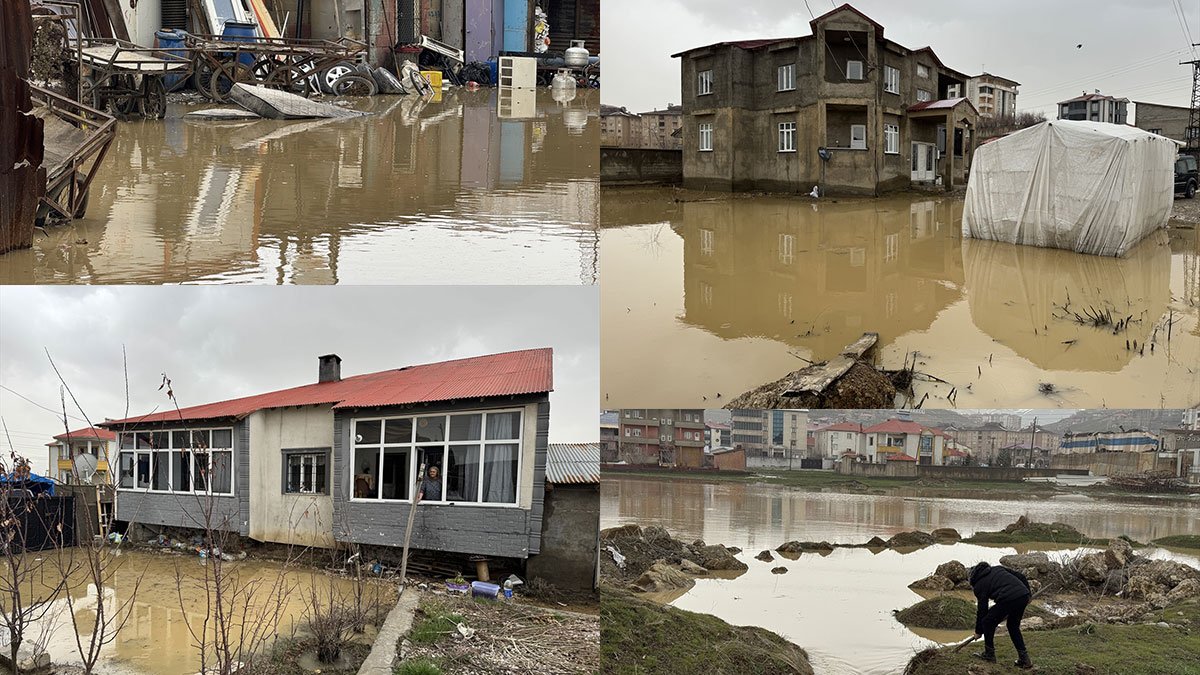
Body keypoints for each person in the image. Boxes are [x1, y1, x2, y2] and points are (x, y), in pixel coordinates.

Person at [968, 561, 1034, 669]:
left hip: (1009, 598)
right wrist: (1028, 594)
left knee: (987, 622)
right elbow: (1021, 576)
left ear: (973, 579)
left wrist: (978, 631)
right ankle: (1025, 659)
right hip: (1023, 595)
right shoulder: (998, 568)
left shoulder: (979, 585)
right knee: (1013, 626)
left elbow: (982, 610)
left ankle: (989, 655)